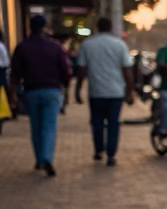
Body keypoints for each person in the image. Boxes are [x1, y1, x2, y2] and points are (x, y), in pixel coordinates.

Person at [10, 15, 71, 176]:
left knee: (36, 127)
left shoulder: (22, 47)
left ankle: (39, 159)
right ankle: (47, 158)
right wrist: (66, 88)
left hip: (31, 91)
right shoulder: (55, 47)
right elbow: (65, 71)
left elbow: (15, 74)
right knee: (49, 127)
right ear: (44, 28)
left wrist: (13, 95)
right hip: (52, 91)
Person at [74, 17, 135, 166]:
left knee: (97, 123)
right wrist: (130, 91)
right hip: (116, 92)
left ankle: (99, 150)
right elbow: (127, 70)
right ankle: (111, 154)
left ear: (97, 27)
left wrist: (77, 89)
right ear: (111, 27)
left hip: (96, 91)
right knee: (114, 124)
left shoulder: (87, 45)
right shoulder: (120, 45)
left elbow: (81, 70)